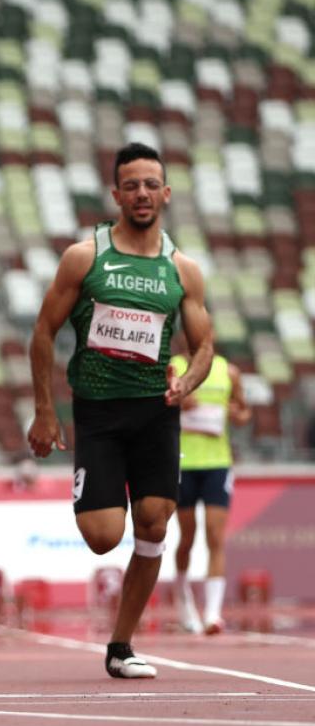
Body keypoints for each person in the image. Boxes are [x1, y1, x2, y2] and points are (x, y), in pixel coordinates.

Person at [27, 142, 213, 679]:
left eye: (151, 184)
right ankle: (98, 493)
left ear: (166, 193)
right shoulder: (85, 257)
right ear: (116, 194)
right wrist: (45, 411)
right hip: (100, 413)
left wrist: (190, 380)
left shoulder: (182, 270)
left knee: (155, 522)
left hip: (156, 410)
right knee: (104, 536)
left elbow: (204, 345)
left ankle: (122, 645)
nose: (141, 193)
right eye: (131, 185)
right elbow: (43, 333)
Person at [170, 345, 251, 634]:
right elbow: (157, 407)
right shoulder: (174, 368)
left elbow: (243, 413)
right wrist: (179, 403)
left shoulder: (228, 371)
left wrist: (235, 412)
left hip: (217, 463)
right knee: (187, 536)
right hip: (183, 463)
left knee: (216, 536)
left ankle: (213, 614)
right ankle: (183, 599)